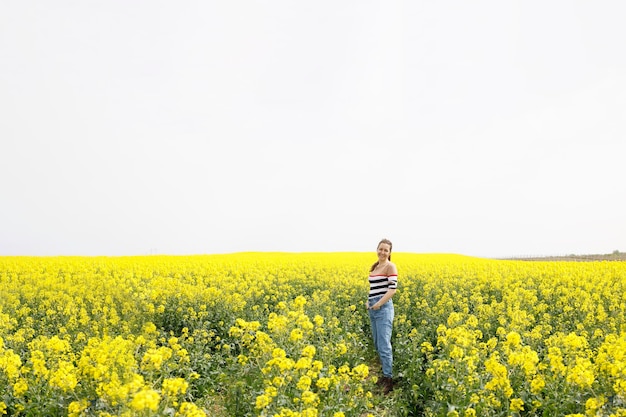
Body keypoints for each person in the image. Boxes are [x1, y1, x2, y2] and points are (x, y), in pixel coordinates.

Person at [366, 238, 398, 394]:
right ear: (377, 249)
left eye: (386, 250)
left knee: (384, 345)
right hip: (373, 307)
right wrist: (369, 302)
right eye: (381, 249)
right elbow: (374, 288)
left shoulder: (390, 266)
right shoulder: (375, 266)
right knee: (378, 343)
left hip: (383, 308)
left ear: (390, 252)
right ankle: (384, 375)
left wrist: (379, 303)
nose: (383, 252)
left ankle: (389, 380)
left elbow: (392, 289)